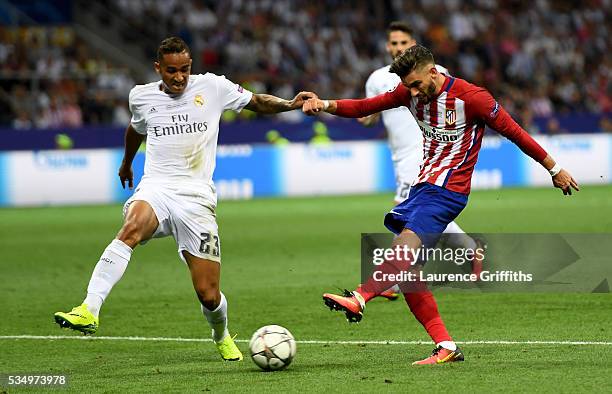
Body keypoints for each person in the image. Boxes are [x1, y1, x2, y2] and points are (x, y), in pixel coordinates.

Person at [302, 44, 579, 365]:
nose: (414, 92)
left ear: (434, 72)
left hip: (448, 191)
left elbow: (515, 132)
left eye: (417, 84)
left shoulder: (472, 97)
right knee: (409, 274)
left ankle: (360, 297)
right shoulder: (408, 93)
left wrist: (555, 169)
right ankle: (446, 347)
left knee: (403, 248)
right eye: (409, 86)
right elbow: (364, 107)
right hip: (422, 189)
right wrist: (324, 103)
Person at [54, 37, 316, 362]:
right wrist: (125, 163)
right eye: (171, 71)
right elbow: (136, 129)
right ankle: (89, 309)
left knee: (208, 294)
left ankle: (220, 334)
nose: (179, 78)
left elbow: (257, 102)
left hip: (196, 199)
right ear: (158, 68)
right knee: (131, 228)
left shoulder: (213, 87)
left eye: (185, 70)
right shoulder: (141, 95)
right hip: (157, 188)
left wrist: (290, 104)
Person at [359, 22, 483, 301]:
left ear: (413, 44)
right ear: (387, 47)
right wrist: (364, 117)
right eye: (394, 43)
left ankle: (391, 279)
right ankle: (469, 247)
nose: (398, 48)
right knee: (417, 215)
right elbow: (371, 115)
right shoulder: (377, 78)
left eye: (404, 43)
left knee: (408, 215)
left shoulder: (436, 72)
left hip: (427, 154)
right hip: (400, 155)